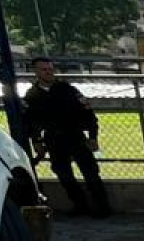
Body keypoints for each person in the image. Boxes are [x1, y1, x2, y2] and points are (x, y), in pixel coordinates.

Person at [24, 58, 110, 216]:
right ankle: (80, 205)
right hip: (53, 139)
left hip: (74, 135)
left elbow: (88, 113)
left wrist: (93, 136)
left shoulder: (67, 89)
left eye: (50, 69)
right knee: (64, 175)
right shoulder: (32, 95)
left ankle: (103, 207)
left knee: (90, 172)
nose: (49, 72)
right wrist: (36, 141)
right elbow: (31, 121)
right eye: (44, 69)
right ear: (35, 72)